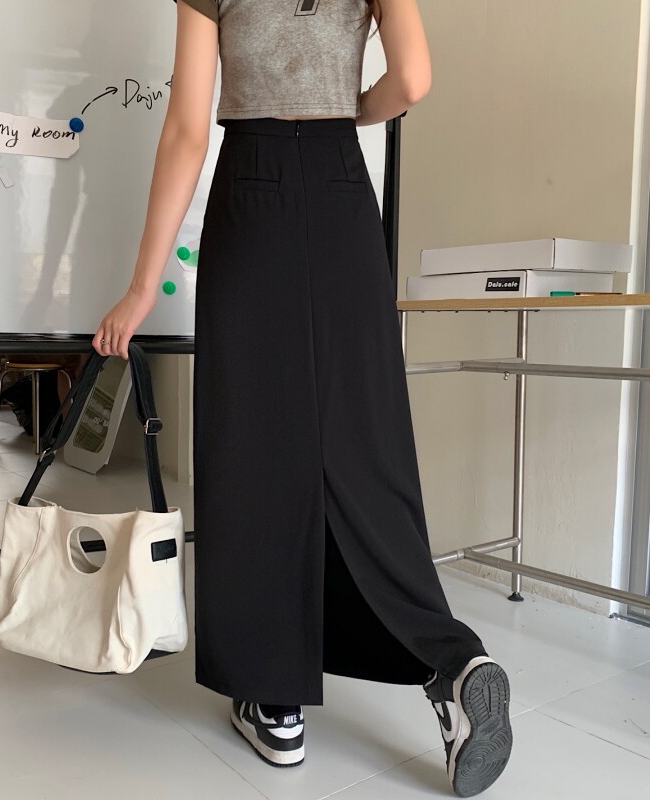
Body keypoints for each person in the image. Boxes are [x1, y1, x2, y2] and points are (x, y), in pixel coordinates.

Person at [92, 1, 512, 795]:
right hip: (343, 189)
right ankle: (454, 663)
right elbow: (413, 79)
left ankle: (274, 701)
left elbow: (187, 131)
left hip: (252, 195)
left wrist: (143, 287)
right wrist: (349, 111)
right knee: (363, 443)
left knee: (254, 445)